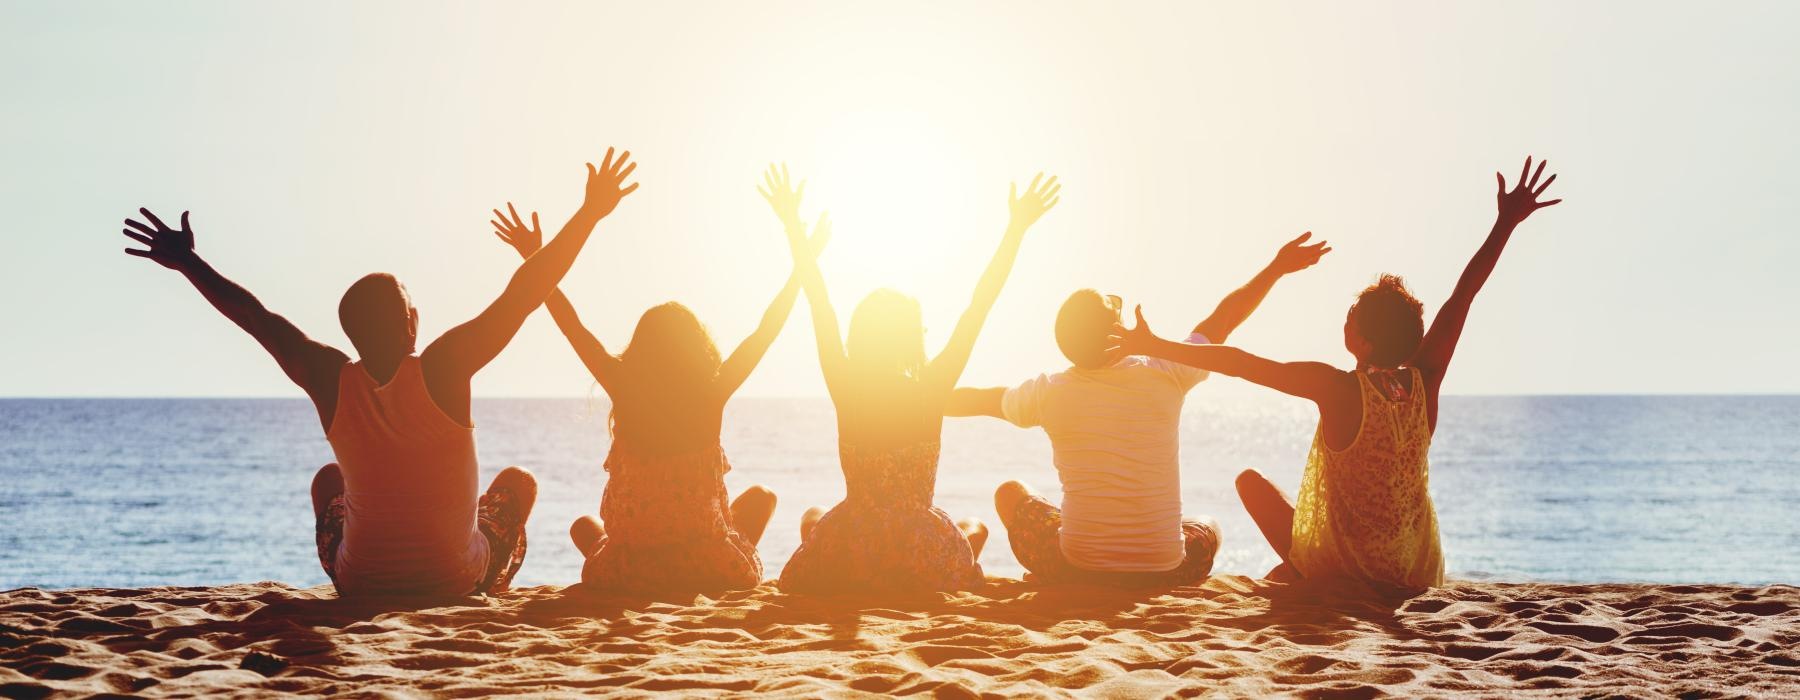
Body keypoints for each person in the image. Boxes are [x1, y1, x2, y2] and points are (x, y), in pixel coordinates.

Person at [118, 148, 640, 597]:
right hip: (458, 579)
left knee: (329, 481)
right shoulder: (445, 367)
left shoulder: (328, 375)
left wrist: (190, 263)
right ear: (411, 322)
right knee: (517, 484)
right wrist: (590, 213)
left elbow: (256, 318)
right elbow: (525, 293)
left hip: (359, 582)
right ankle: (491, 583)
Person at [1111, 157, 1562, 594]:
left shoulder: (1339, 388)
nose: (1344, 322)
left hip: (1344, 570)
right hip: (1412, 570)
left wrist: (1152, 346)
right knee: (1284, 557)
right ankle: (1290, 574)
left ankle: (1296, 574)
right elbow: (1463, 296)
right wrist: (1505, 223)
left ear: (1361, 341)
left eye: (1351, 318)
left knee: (1250, 483)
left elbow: (1241, 363)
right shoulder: (1425, 380)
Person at [487, 175, 828, 594]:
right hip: (709, 567)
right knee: (762, 498)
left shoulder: (622, 383)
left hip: (627, 569)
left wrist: (535, 256)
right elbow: (766, 331)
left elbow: (569, 323)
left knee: (583, 528)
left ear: (641, 348)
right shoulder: (712, 390)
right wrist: (801, 258)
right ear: (697, 349)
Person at [946, 234, 1331, 586]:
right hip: (1167, 569)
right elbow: (1224, 319)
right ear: (1116, 328)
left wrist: (917, 398)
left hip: (1075, 566)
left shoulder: (1048, 391)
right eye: (1114, 307)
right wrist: (1276, 269)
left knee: (1011, 493)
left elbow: (979, 399)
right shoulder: (1168, 370)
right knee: (1208, 525)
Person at [772, 165, 1061, 594]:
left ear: (860, 334)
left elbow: (820, 304)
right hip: (918, 548)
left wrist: (794, 226)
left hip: (853, 543)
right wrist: (1016, 229)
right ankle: (957, 545)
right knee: (972, 528)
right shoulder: (931, 388)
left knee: (813, 518)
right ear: (911, 337)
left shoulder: (846, 385)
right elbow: (978, 307)